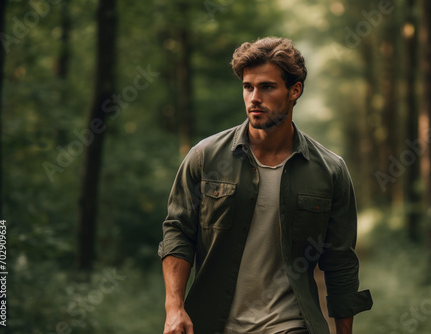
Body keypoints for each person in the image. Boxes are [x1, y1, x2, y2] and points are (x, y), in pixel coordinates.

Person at [158, 37, 372, 334]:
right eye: (248, 87)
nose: (254, 97)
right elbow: (178, 232)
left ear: (294, 90)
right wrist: (174, 308)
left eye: (267, 87)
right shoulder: (204, 157)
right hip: (214, 324)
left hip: (291, 325)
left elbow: (340, 261)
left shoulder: (329, 170)